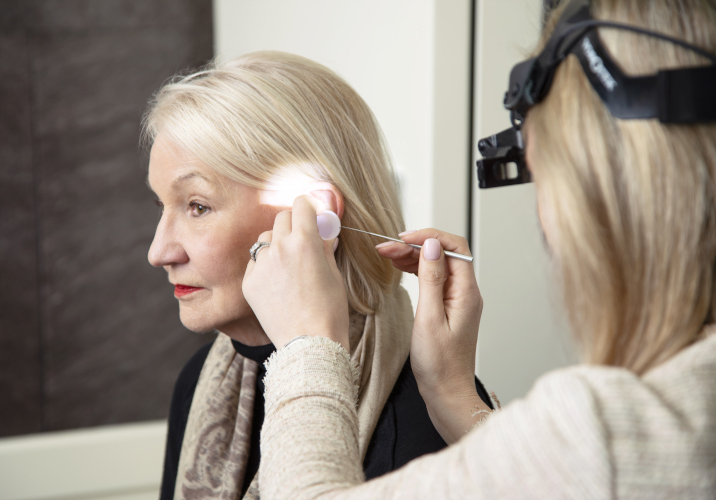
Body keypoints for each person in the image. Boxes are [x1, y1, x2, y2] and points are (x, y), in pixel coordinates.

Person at [242, 0, 716, 498]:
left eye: (538, 171)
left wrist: (307, 342)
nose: (157, 252)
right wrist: (450, 389)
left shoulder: (613, 432)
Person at [142, 51, 494, 500]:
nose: (159, 252)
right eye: (162, 206)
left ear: (314, 214)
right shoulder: (198, 384)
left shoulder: (426, 422)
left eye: (197, 206)